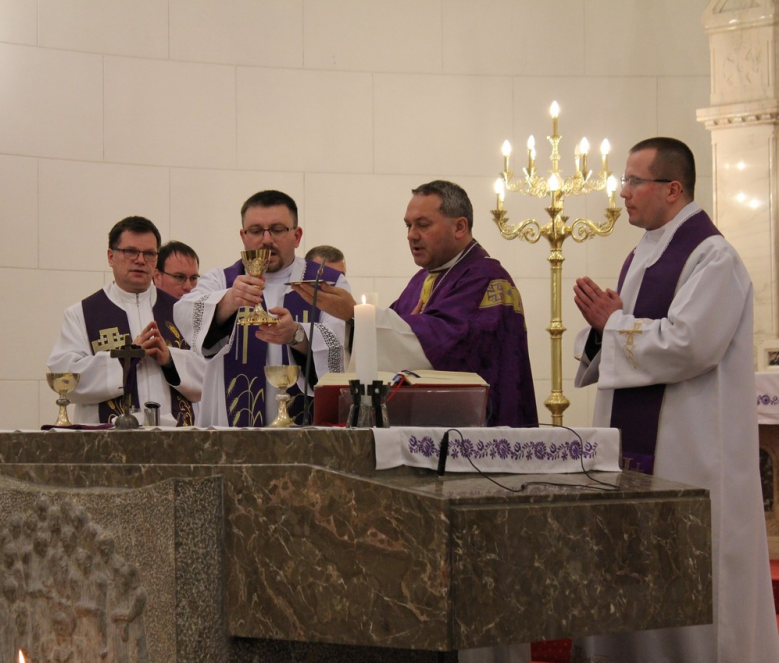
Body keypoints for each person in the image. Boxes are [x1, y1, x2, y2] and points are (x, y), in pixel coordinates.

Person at [572, 137, 779, 662]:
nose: (623, 192)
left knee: (686, 572)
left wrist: (613, 324)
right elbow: (628, 331)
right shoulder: (643, 254)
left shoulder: (713, 257)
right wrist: (603, 329)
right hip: (641, 454)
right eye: (624, 181)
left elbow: (690, 344)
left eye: (633, 181)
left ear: (673, 188)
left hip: (690, 454)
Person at [292, 180, 537, 428]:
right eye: (408, 225)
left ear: (460, 227)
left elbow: (451, 347)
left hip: (482, 429)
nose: (411, 235)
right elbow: (392, 343)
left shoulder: (485, 277)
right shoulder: (422, 280)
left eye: (423, 225)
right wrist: (318, 330)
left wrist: (355, 314)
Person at [174, 190, 350, 427]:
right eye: (256, 231)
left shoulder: (328, 283)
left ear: (297, 236)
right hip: (234, 434)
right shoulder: (221, 280)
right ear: (243, 236)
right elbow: (184, 312)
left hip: (307, 435)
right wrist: (228, 300)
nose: (266, 239)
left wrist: (297, 334)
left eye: (277, 229)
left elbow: (343, 342)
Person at [47, 216, 203, 426]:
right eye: (130, 251)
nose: (140, 260)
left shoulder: (181, 311)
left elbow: (207, 377)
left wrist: (170, 360)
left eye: (149, 254)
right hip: (108, 439)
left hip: (174, 438)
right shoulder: (81, 314)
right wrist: (127, 357)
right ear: (111, 256)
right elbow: (66, 382)